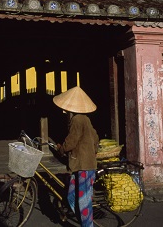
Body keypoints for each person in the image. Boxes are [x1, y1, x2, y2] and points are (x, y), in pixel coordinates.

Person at [53, 86, 99, 227]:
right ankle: (81, 220)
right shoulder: (85, 119)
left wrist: (61, 149)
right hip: (83, 163)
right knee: (72, 195)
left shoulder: (77, 120)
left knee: (83, 200)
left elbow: (71, 141)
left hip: (83, 165)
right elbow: (95, 138)